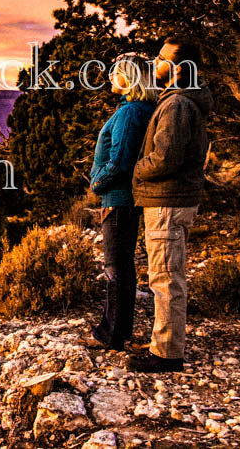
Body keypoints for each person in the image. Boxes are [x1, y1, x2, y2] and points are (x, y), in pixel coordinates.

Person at [128, 36, 214, 373]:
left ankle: (166, 354)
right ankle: (161, 344)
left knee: (165, 279)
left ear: (177, 68)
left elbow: (166, 157)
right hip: (171, 199)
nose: (155, 63)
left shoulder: (177, 104)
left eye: (161, 59)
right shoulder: (179, 100)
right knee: (166, 276)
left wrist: (136, 169)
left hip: (167, 201)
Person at [86, 53, 157, 351]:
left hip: (118, 198)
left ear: (130, 77)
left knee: (115, 267)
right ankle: (117, 329)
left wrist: (97, 181)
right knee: (123, 266)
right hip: (123, 198)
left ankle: (112, 334)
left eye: (116, 72)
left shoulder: (130, 113)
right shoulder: (136, 109)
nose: (111, 77)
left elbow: (120, 163)